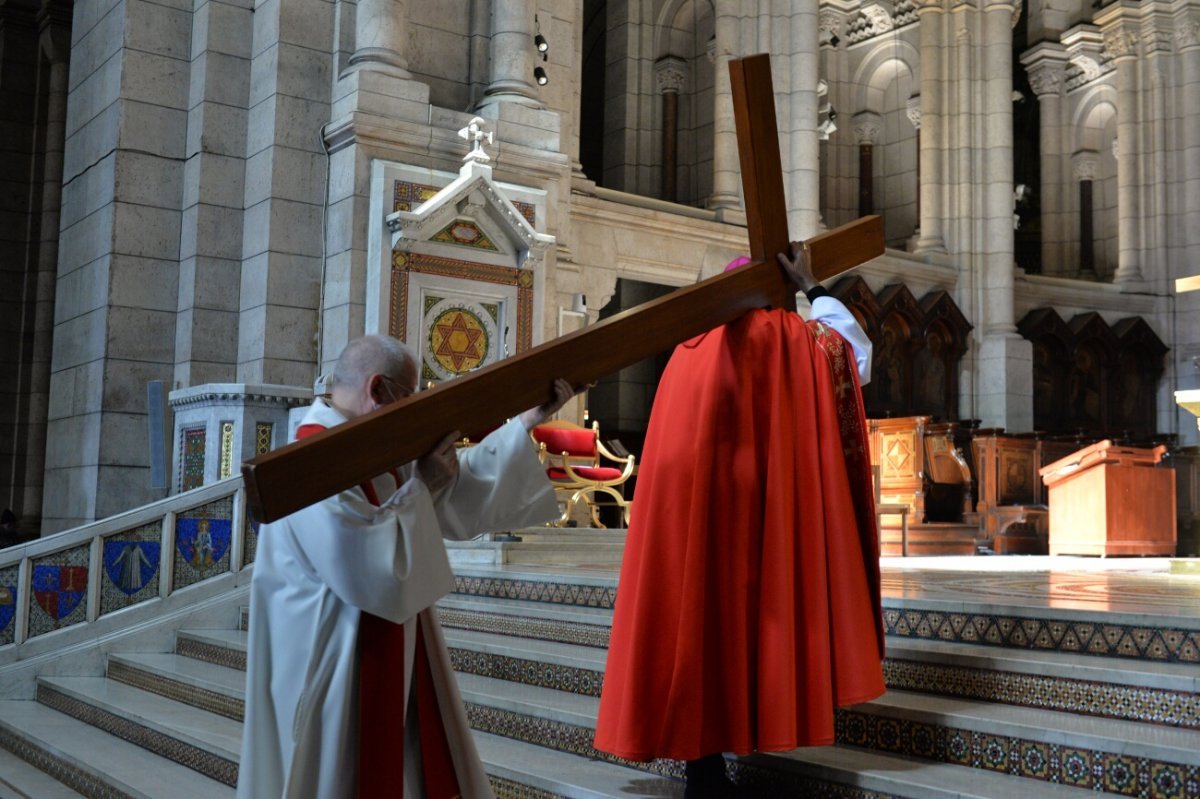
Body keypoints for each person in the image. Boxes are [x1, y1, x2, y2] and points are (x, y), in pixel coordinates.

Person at [593, 244, 886, 798]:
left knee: (697, 623)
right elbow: (853, 356)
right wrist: (814, 287)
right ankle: (747, 734)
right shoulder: (783, 338)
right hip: (758, 514)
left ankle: (702, 767)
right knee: (748, 625)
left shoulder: (689, 346)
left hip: (690, 518)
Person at [238, 335, 577, 799]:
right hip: (332, 657)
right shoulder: (311, 463)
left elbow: (447, 490)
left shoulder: (368, 444)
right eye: (409, 395)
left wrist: (524, 424)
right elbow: (369, 564)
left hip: (382, 644)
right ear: (378, 389)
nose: (412, 408)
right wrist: (420, 489)